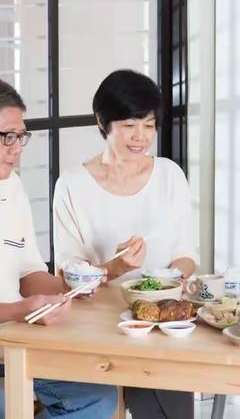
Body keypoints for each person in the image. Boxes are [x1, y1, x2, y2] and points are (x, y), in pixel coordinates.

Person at [53, 69, 196, 418]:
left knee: (166, 402)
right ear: (103, 123)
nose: (141, 137)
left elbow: (187, 257)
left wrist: (165, 285)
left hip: (160, 322)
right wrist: (116, 267)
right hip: (96, 328)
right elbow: (66, 276)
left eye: (149, 125)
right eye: (130, 125)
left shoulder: (170, 176)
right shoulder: (72, 184)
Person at [0, 79, 117, 418]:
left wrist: (67, 288)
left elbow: (26, 270)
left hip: (17, 344)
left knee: (100, 387)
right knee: (92, 399)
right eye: (7, 136)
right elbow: (21, 303)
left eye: (20, 136)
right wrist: (20, 310)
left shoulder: (12, 186)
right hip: (11, 347)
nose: (17, 147)